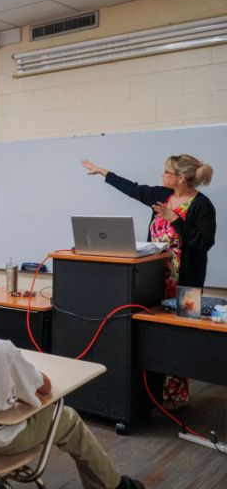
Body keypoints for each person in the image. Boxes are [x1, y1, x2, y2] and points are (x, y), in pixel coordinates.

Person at [0, 257, 145, 489]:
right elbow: (43, 388)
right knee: (67, 417)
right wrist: (26, 384)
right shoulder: (0, 353)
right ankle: (116, 487)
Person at [82, 156, 216, 403]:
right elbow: (133, 188)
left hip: (187, 285)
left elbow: (203, 244)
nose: (162, 176)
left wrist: (176, 220)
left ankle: (176, 395)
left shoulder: (202, 205)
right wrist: (102, 172)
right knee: (153, 336)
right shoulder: (162, 194)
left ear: (180, 177)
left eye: (166, 172)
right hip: (154, 280)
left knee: (180, 337)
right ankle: (150, 392)